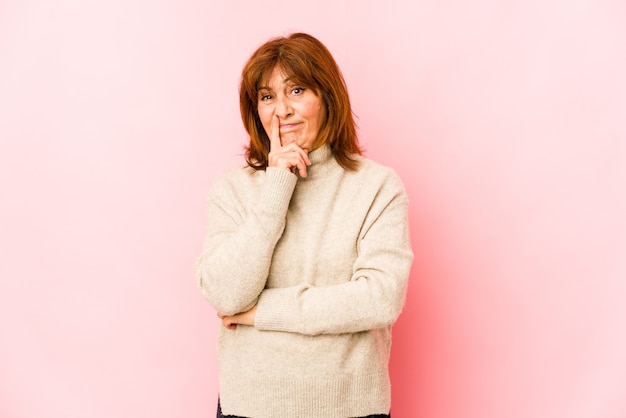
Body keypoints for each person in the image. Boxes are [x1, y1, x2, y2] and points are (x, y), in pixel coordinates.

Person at [195, 32, 413, 418]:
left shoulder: (377, 186)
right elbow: (227, 296)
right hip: (248, 407)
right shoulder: (233, 189)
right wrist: (277, 186)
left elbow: (379, 298)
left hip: (349, 408)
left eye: (297, 91)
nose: (282, 110)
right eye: (267, 96)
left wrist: (262, 313)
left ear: (327, 97)